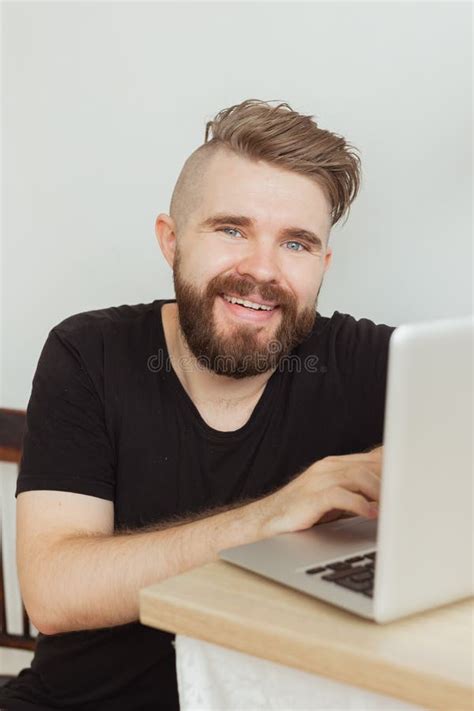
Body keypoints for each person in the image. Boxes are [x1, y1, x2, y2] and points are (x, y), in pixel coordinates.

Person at [0, 98, 394, 710]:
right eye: (232, 229)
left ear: (322, 264)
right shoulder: (88, 353)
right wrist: (272, 517)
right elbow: (55, 593)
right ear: (172, 240)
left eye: (296, 243)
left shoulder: (362, 358)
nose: (262, 270)